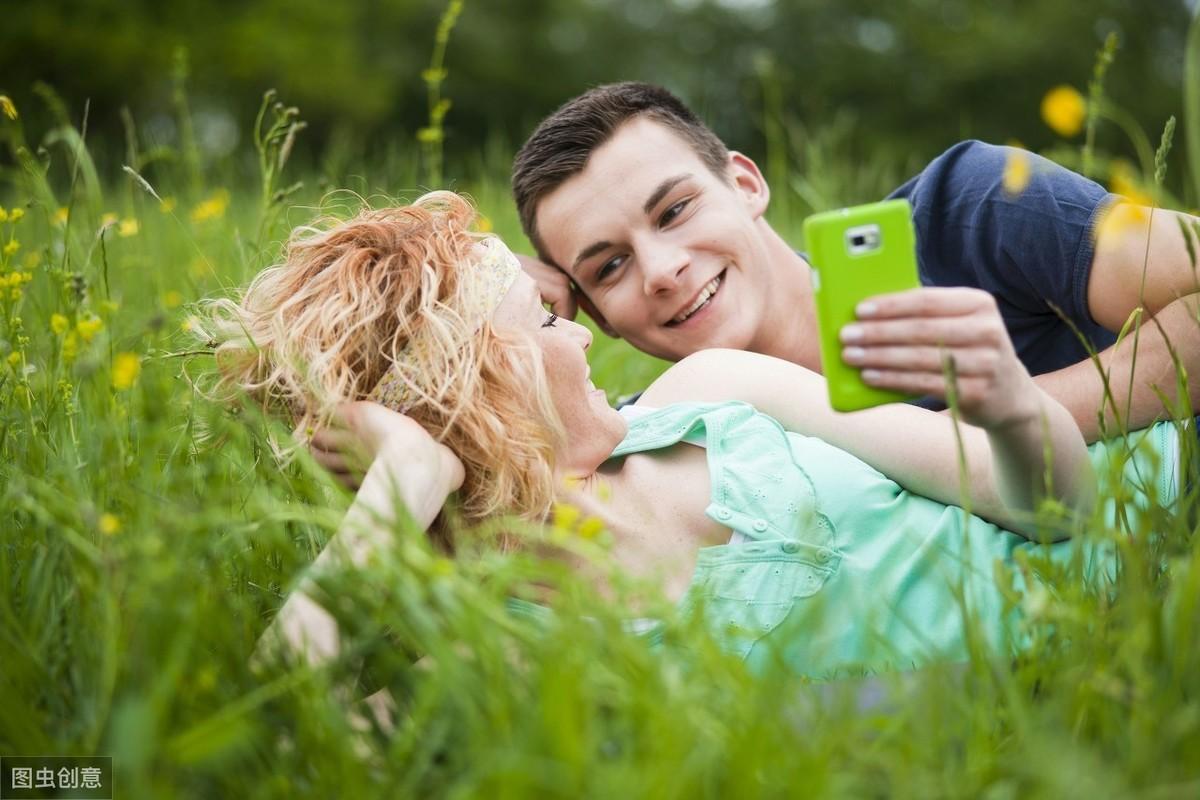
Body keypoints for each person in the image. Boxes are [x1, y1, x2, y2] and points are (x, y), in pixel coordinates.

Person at [201, 193, 1180, 682]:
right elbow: (283, 710)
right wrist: (405, 474)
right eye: (544, 326)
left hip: (1157, 506)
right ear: (473, 397)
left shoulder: (713, 390)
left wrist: (1006, 399)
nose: (581, 335)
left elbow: (1058, 504)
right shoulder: (492, 647)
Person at [511, 82, 1200, 442]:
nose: (660, 270)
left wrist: (972, 431)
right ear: (594, 314)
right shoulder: (662, 429)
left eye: (674, 210)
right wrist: (498, 317)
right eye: (608, 269)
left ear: (745, 184)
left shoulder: (970, 209)